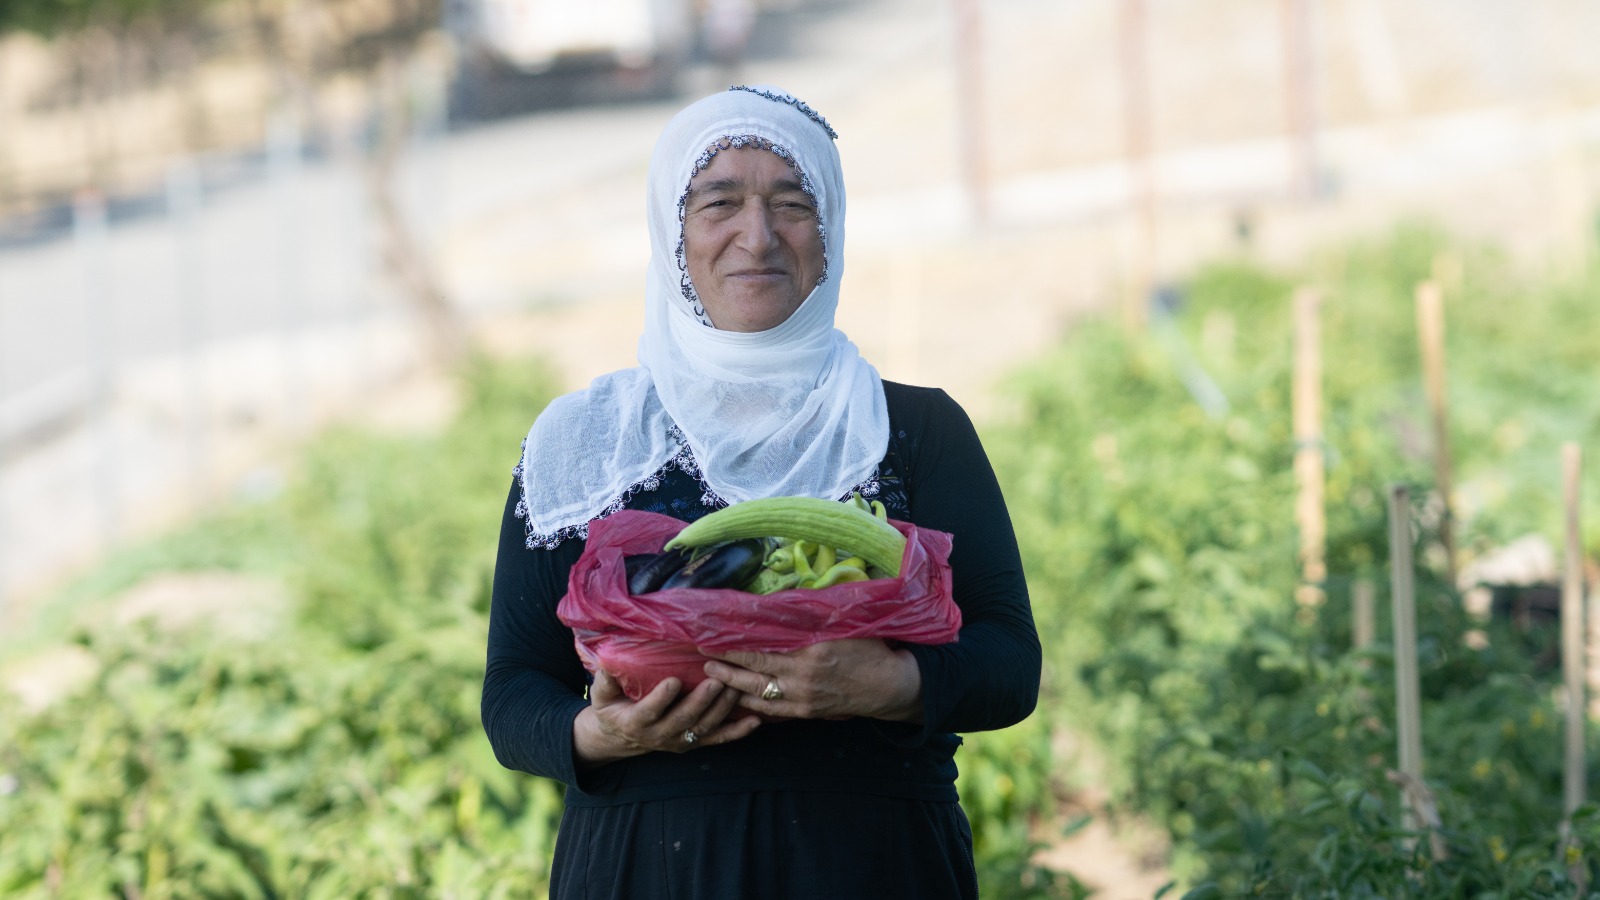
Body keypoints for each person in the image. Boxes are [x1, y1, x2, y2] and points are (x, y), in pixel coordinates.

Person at [482, 85, 1040, 899]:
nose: (758, 236)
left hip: (873, 864)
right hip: (645, 866)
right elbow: (513, 692)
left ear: (830, 233)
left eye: (792, 203)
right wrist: (600, 734)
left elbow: (1008, 663)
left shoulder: (918, 429)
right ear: (672, 233)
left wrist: (892, 686)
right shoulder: (584, 441)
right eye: (719, 202)